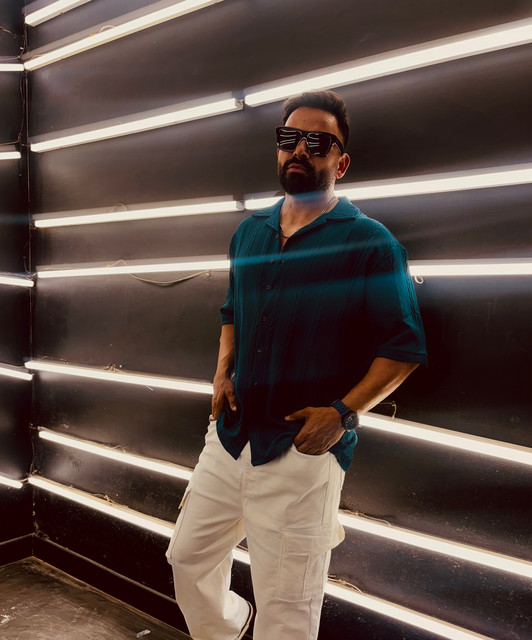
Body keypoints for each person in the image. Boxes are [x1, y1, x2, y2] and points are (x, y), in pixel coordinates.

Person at [166, 90, 427, 640]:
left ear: (341, 162)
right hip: (231, 436)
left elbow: (404, 348)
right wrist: (222, 372)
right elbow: (232, 311)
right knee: (187, 559)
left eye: (317, 142)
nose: (300, 150)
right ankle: (231, 627)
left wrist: (342, 414)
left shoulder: (372, 244)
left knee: (287, 611)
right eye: (289, 139)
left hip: (302, 451)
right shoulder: (249, 232)